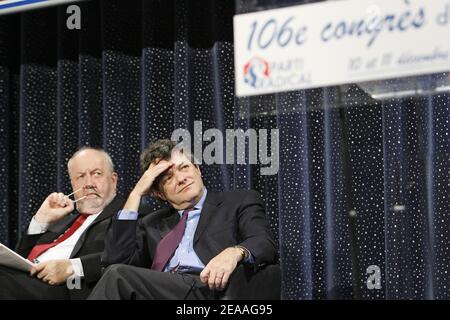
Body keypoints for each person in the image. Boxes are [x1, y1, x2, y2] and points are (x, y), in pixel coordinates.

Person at [89, 139, 277, 300]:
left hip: (207, 287)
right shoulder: (152, 223)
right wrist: (136, 193)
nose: (180, 178)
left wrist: (235, 252)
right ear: (159, 193)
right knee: (115, 274)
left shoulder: (237, 201)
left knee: (117, 276)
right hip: (162, 291)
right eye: (168, 178)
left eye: (184, 167)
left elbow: (263, 241)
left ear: (198, 169)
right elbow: (115, 261)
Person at [0, 147, 124, 299]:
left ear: (113, 179)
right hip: (24, 283)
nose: (89, 183)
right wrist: (40, 220)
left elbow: (129, 256)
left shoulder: (129, 216)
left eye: (96, 174)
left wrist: (73, 268)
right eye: (80, 176)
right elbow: (20, 258)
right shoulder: (62, 221)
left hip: (70, 288)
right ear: (72, 184)